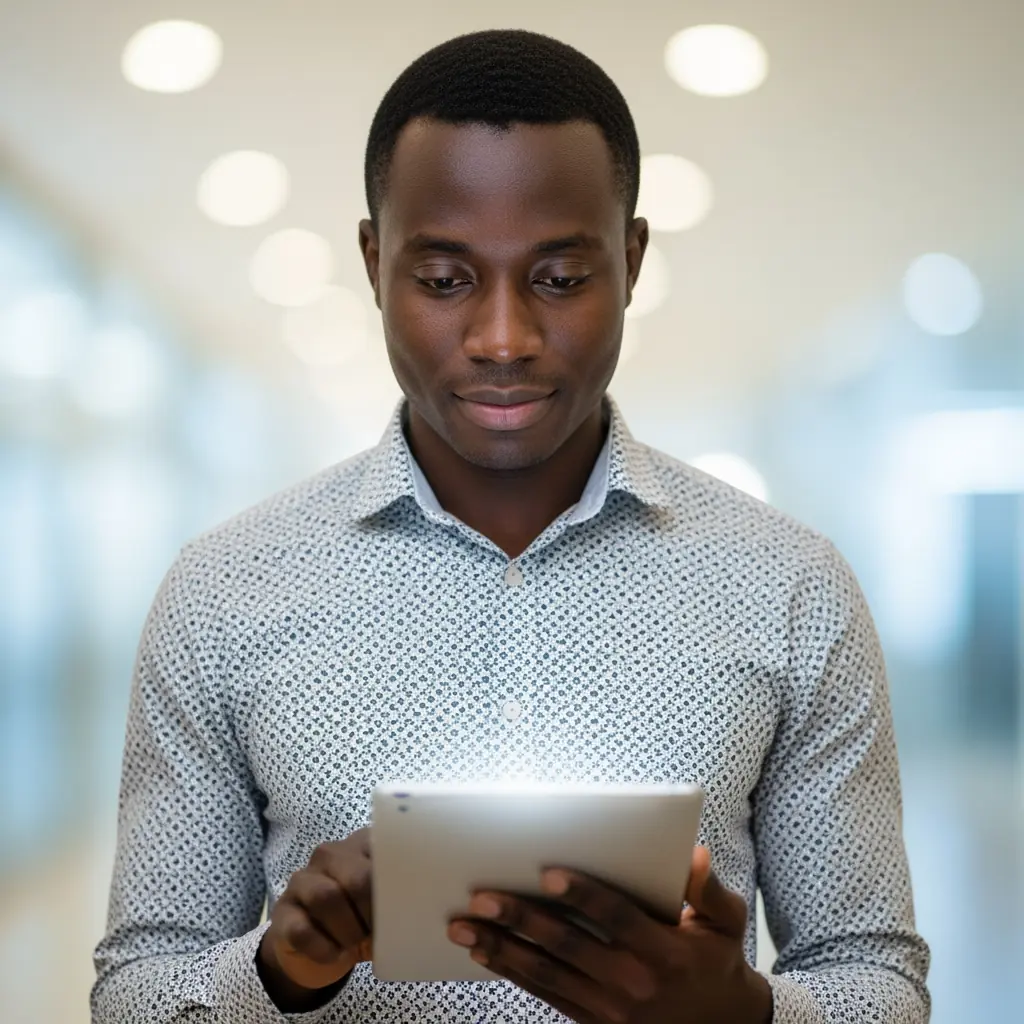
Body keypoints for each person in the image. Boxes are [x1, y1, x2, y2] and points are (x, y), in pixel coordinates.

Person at [92, 28, 931, 1024]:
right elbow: (135, 993)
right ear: (372, 262)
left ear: (630, 258)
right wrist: (278, 970)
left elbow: (875, 981)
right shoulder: (223, 590)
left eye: (560, 278)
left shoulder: (791, 587)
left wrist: (743, 1014)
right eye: (445, 280)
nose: (501, 338)